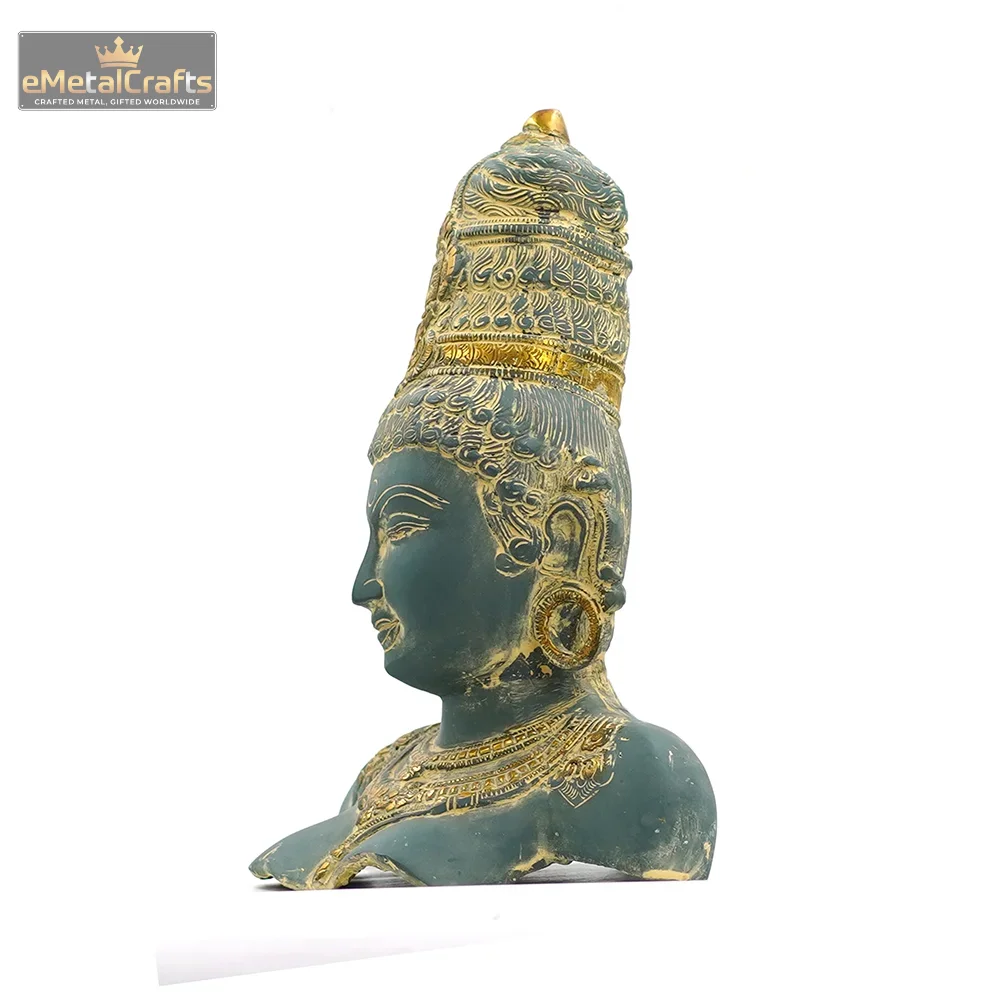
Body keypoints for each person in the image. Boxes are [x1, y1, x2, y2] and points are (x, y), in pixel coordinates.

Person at [250, 110, 716, 888]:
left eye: (404, 525)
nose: (364, 584)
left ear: (561, 539)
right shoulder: (386, 776)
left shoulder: (632, 778)